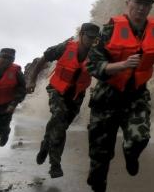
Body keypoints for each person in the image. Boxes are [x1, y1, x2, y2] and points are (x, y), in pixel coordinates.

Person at [85, 0, 154, 192]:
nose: (141, 8)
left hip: (136, 94)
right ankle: (98, 187)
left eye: (146, 4)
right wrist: (120, 65)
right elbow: (92, 65)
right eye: (137, 3)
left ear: (151, 7)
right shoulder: (110, 29)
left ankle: (131, 155)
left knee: (140, 138)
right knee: (100, 154)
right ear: (127, 3)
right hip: (107, 96)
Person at [26, 22, 100, 178]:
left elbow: (102, 73)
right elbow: (44, 58)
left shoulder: (96, 54)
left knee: (61, 126)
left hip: (76, 95)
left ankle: (46, 143)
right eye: (88, 37)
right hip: (57, 90)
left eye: (94, 38)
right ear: (81, 35)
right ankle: (55, 165)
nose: (91, 41)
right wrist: (32, 79)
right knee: (59, 117)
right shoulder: (65, 47)